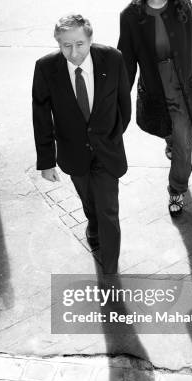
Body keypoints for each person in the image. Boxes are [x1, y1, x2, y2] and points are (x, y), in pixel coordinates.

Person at [32, 14, 131, 274]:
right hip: (73, 151)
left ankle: (110, 270)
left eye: (79, 44)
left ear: (90, 39)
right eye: (66, 45)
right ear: (58, 43)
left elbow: (123, 103)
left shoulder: (112, 58)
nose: (73, 52)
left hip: (107, 150)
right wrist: (46, 161)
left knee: (109, 210)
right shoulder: (45, 68)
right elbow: (41, 115)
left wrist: (112, 136)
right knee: (90, 202)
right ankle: (93, 224)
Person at [118, 0, 192, 216]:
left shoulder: (183, 4)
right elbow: (127, 58)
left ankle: (177, 188)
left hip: (184, 83)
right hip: (156, 86)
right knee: (171, 133)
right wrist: (119, 92)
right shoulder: (130, 15)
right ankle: (170, 141)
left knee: (184, 140)